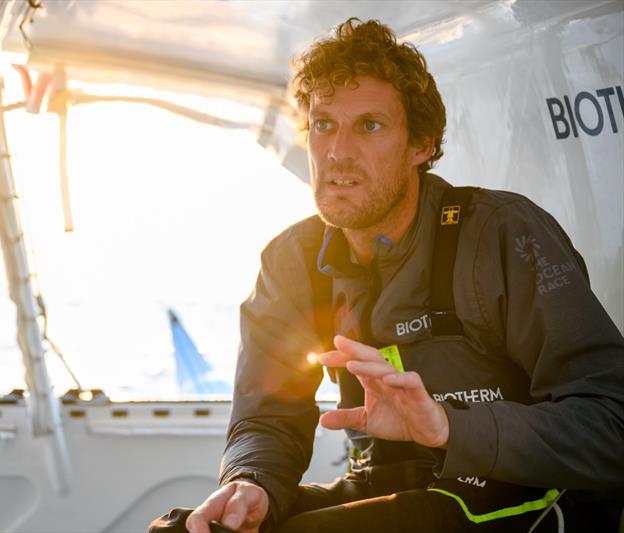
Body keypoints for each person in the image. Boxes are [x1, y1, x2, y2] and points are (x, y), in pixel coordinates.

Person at [150, 17, 624, 533]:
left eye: (369, 126)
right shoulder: (291, 260)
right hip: (382, 482)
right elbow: (267, 418)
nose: (337, 152)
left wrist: (449, 427)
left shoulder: (501, 233)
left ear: (420, 145)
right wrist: (251, 480)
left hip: (526, 493)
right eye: (324, 124)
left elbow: (612, 424)